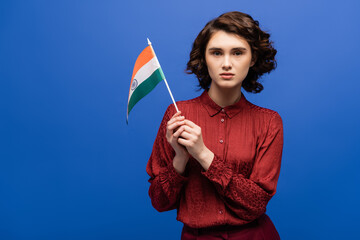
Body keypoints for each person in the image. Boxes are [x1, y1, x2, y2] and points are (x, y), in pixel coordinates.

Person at [146, 11, 283, 240]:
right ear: (204, 58)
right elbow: (159, 202)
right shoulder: (178, 115)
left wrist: (203, 154)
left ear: (253, 59)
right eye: (216, 53)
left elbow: (256, 203)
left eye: (238, 53)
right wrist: (180, 159)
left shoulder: (268, 122)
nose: (226, 63)